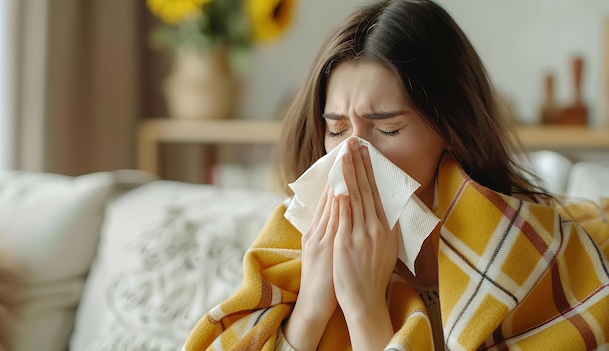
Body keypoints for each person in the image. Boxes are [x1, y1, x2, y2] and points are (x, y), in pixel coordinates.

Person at [183, 1, 609, 350]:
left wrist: (365, 307)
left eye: (387, 129)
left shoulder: (537, 253)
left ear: (450, 128)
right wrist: (314, 302)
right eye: (337, 129)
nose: (353, 152)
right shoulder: (293, 241)